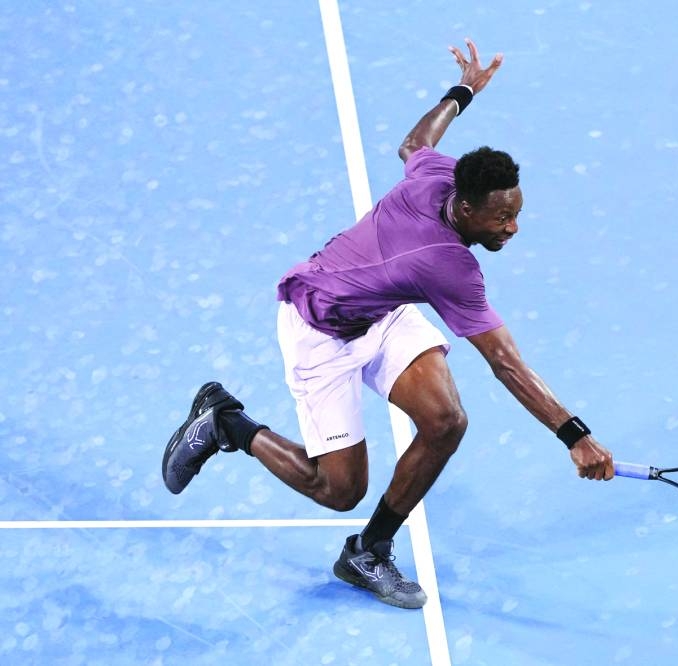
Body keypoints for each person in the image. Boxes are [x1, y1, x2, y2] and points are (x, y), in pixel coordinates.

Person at [162, 38, 615, 610]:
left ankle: (368, 552)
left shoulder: (439, 177)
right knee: (337, 489)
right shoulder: (449, 266)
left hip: (380, 308)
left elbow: (414, 142)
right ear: (469, 209)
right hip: (318, 328)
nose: (513, 228)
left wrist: (463, 91)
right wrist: (576, 436)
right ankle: (229, 423)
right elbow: (504, 363)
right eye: (503, 218)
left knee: (446, 421)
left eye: (517, 213)